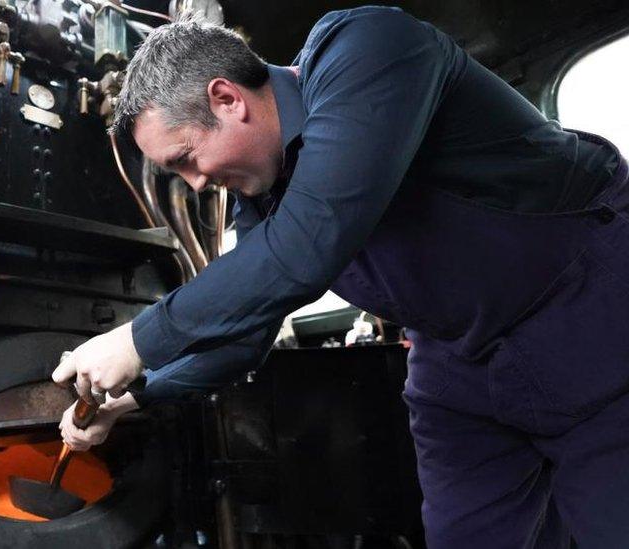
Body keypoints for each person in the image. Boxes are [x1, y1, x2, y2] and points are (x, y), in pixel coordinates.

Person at [52, 6, 629, 548]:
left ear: (227, 99)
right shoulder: (263, 199)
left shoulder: (369, 49)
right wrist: (136, 395)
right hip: (458, 359)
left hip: (586, 308)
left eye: (186, 158)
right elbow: (245, 338)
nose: (196, 184)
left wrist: (135, 338)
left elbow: (310, 242)